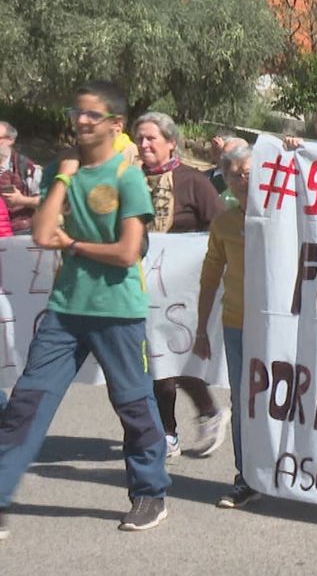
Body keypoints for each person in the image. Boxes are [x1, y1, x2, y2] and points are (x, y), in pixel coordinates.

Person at [0, 80, 171, 537]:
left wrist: (73, 243)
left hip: (117, 310)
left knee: (134, 406)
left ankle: (149, 494)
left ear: (115, 124)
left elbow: (127, 252)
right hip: (66, 308)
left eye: (92, 114)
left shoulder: (126, 176)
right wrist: (62, 176)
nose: (80, 120)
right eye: (77, 112)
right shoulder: (65, 168)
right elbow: (40, 234)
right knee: (27, 403)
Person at [134, 112, 229, 459]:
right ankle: (173, 428)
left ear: (171, 142)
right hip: (138, 283)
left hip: (182, 286)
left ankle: (188, 421)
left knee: (170, 359)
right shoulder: (129, 179)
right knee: (151, 361)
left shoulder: (192, 182)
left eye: (151, 138)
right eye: (139, 138)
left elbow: (221, 225)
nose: (144, 145)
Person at [194, 145, 260, 509]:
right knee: (242, 401)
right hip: (237, 325)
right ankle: (245, 478)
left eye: (248, 171)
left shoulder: (288, 216)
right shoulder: (223, 224)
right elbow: (209, 277)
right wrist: (201, 329)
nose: (242, 179)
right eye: (234, 174)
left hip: (285, 328)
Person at [0, 121, 42, 234]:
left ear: (11, 140)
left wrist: (21, 200)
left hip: (21, 232)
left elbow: (47, 200)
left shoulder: (27, 167)